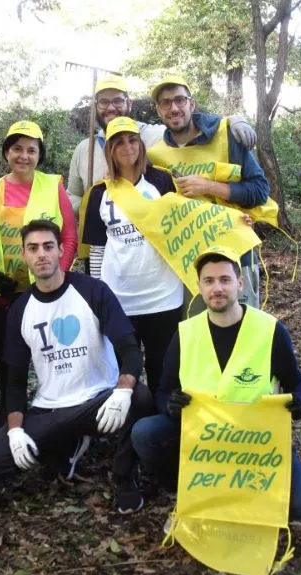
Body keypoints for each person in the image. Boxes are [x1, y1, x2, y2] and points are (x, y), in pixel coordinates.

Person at [0, 219, 153, 513]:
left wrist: (122, 391)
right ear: (24, 256)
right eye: (33, 248)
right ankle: (67, 445)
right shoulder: (19, 309)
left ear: (60, 250)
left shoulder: (94, 291)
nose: (41, 254)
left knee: (141, 397)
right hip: (51, 409)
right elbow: (16, 382)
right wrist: (15, 431)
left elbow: (131, 350)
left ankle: (124, 477)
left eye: (48, 246)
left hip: (97, 401)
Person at [131, 245, 301, 521]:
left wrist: (299, 402)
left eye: (225, 280)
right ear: (199, 287)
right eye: (209, 281)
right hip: (204, 440)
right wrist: (170, 405)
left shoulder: (270, 330)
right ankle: (184, 481)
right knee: (144, 433)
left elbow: (297, 382)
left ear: (240, 284)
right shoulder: (185, 333)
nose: (217, 288)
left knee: (300, 506)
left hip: (257, 441)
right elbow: (164, 390)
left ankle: (241, 490)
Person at [0, 121, 77, 429]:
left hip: (43, 292)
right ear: (7, 152)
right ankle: (6, 423)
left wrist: (56, 277)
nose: (24, 156)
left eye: (31, 150)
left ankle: (54, 421)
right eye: (17, 148)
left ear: (39, 154)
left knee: (52, 359)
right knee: (9, 364)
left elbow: (69, 237)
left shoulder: (52, 185)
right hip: (3, 295)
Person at [148, 76, 270, 310]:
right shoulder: (156, 156)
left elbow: (260, 190)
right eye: (165, 103)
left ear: (192, 104)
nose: (173, 108)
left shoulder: (226, 137)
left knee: (241, 332)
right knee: (199, 335)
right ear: (158, 110)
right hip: (188, 264)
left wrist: (209, 186)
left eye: (180, 100)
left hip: (236, 257)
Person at [82, 116, 182, 396]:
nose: (127, 147)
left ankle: (161, 428)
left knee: (163, 370)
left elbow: (184, 227)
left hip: (164, 296)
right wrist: (98, 298)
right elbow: (98, 249)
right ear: (110, 150)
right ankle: (127, 431)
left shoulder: (161, 181)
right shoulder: (99, 193)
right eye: (119, 142)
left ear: (141, 144)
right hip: (119, 298)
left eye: (133, 139)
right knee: (122, 371)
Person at [67, 74, 256, 215]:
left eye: (117, 100)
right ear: (96, 107)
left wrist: (232, 120)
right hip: (100, 242)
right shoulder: (85, 149)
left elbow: (186, 122)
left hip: (151, 241)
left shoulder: (155, 136)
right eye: (104, 102)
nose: (110, 107)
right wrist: (93, 206)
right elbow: (72, 195)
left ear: (129, 104)